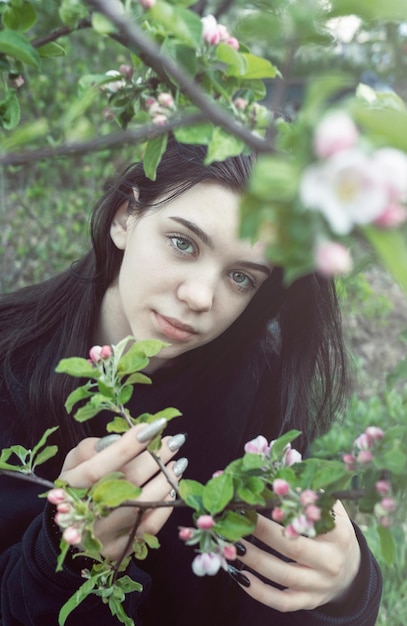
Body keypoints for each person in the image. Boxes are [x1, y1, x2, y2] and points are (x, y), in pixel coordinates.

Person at [0, 138, 381, 625]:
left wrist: (346, 586)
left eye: (241, 277)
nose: (200, 295)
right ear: (125, 218)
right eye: (183, 243)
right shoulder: (10, 359)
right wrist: (62, 560)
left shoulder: (254, 391)